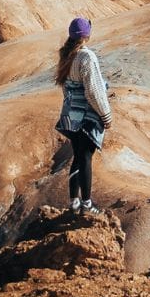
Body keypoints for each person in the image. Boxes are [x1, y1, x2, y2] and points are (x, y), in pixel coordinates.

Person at [54, 16, 111, 214]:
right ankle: (87, 204)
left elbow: (66, 88)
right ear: (87, 34)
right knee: (86, 158)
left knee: (77, 157)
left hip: (71, 116)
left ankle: (74, 202)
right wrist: (106, 115)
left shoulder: (66, 55)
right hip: (86, 117)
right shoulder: (86, 57)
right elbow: (94, 90)